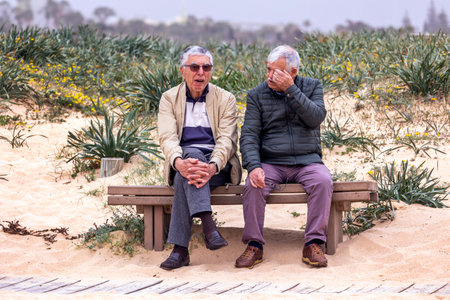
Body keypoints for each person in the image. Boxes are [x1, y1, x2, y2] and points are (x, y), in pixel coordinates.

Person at [236, 45, 333, 269]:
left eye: (276, 71)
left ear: (293, 72)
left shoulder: (312, 86)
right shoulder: (257, 94)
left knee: (323, 181)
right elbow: (249, 135)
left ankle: (314, 243)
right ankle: (254, 245)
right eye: (268, 69)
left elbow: (315, 118)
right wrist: (253, 166)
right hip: (271, 162)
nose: (270, 76)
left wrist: (292, 90)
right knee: (253, 185)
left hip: (307, 160)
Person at [158, 45, 242, 270]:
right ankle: (209, 229)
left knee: (187, 171)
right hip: (183, 164)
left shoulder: (226, 98)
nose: (201, 73)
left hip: (218, 167)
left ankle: (180, 250)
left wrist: (213, 166)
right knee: (188, 163)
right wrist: (178, 162)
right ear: (182, 70)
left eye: (206, 67)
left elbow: (228, 140)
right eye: (194, 67)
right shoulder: (168, 99)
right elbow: (167, 137)